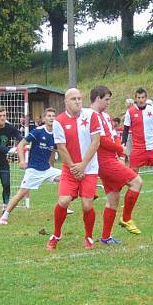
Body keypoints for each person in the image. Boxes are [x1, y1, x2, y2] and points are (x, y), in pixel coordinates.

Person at [47, 88, 102, 250]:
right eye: (73, 99)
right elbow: (61, 148)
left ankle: (89, 237)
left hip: (89, 168)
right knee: (63, 201)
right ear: (66, 102)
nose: (78, 101)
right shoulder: (59, 121)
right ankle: (56, 234)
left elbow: (96, 142)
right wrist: (73, 168)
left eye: (79, 98)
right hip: (70, 168)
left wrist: (83, 165)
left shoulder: (91, 115)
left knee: (87, 205)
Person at [90, 85, 144, 243]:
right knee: (137, 182)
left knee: (113, 198)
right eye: (106, 99)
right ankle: (126, 218)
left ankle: (106, 237)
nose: (108, 103)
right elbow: (101, 141)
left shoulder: (105, 116)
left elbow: (114, 136)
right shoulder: (91, 116)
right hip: (103, 161)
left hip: (111, 159)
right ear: (98, 98)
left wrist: (120, 154)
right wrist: (120, 148)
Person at [0, 108, 62, 225]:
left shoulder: (56, 134)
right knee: (21, 194)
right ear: (44, 119)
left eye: (53, 116)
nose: (52, 118)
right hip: (33, 170)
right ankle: (4, 216)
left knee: (67, 178)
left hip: (47, 169)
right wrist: (22, 161)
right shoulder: (38, 131)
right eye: (49, 116)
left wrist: (51, 166)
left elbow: (53, 150)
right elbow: (21, 144)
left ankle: (63, 205)